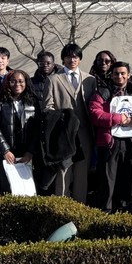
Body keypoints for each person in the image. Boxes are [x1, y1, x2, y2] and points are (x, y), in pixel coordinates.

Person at [88, 61, 132, 212]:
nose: (119, 76)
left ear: (128, 75)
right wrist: (117, 119)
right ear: (111, 75)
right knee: (107, 177)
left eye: (122, 73)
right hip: (109, 141)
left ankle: (126, 209)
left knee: (130, 177)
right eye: (116, 73)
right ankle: (106, 210)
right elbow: (95, 113)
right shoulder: (102, 92)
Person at [48, 43, 96, 201]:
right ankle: (61, 206)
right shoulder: (54, 79)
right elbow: (47, 107)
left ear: (80, 59)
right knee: (63, 171)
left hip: (84, 133)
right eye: (68, 57)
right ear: (63, 59)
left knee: (82, 173)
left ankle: (80, 207)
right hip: (64, 134)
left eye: (75, 56)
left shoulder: (90, 79)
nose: (72, 60)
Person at [0, 69, 41, 190]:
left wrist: (30, 152)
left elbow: (38, 128)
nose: (17, 84)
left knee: (27, 188)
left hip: (27, 153)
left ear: (26, 82)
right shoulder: (0, 101)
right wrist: (5, 150)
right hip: (6, 153)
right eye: (13, 81)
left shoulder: (33, 101)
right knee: (8, 187)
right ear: (8, 83)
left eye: (21, 81)